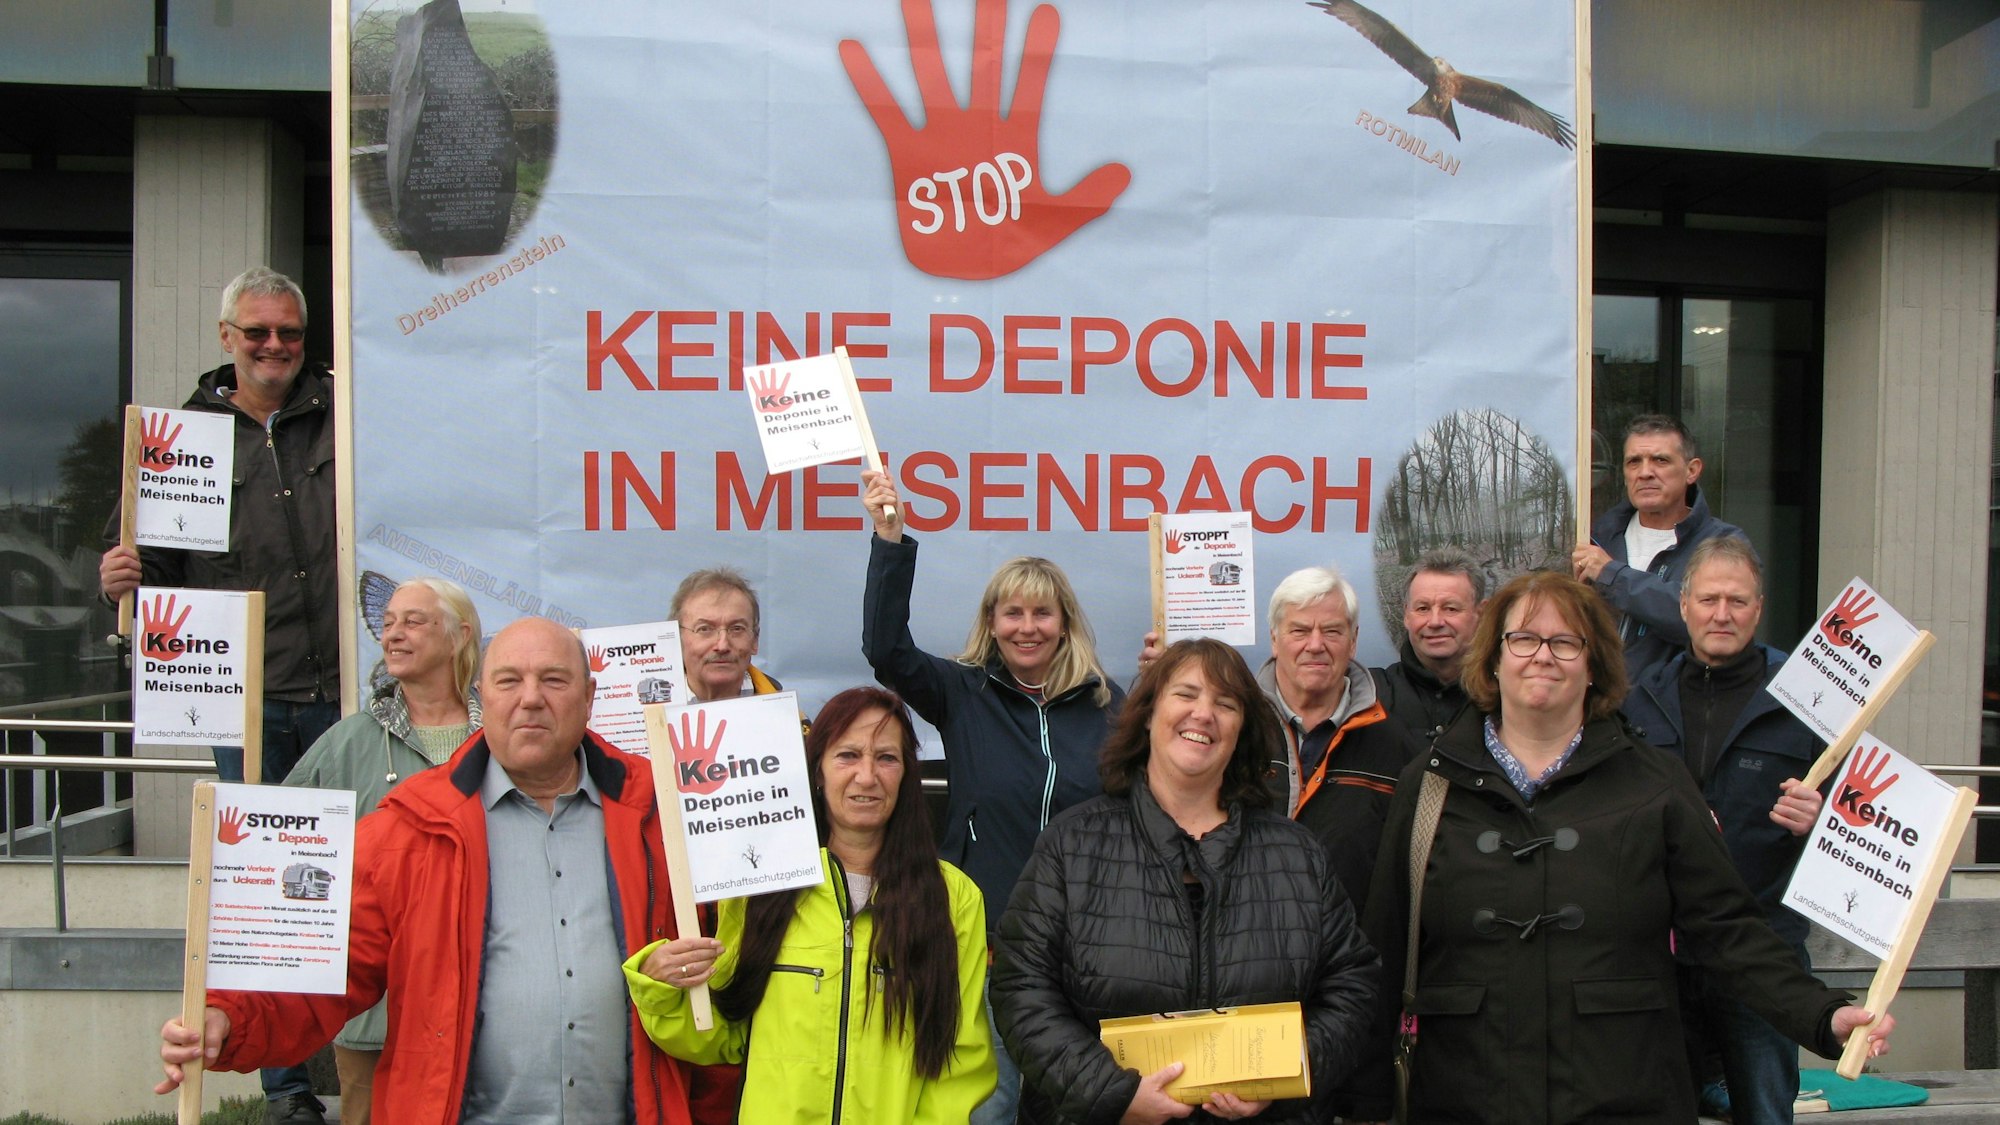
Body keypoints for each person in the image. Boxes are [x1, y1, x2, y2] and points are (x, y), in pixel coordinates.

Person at [1346, 571, 1892, 1124]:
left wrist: (1823, 1014)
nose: (1543, 656)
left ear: (1594, 667)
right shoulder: (1430, 784)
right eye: (1524, 639)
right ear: (1492, 659)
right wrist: (1365, 1104)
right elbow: (1385, 945)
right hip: (1462, 1096)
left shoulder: (1656, 784)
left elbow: (1730, 932)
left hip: (1623, 1093)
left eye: (1565, 642)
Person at [155, 617, 699, 1125]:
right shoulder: (410, 827)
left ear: (589, 697)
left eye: (554, 680)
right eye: (509, 680)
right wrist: (229, 1020)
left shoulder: (664, 814)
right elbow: (326, 970)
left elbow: (724, 968)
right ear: (482, 696)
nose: (531, 698)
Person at [104, 265, 337, 1125]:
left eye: (290, 332)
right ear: (225, 337)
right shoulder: (181, 438)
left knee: (369, 877)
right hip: (247, 701)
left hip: (352, 691)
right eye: (258, 331)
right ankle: (289, 1090)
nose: (275, 346)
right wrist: (120, 578)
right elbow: (147, 571)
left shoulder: (350, 414)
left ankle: (376, 1059)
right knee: (262, 892)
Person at [995, 638, 1378, 1124]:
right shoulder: (1072, 843)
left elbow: (1352, 986)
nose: (1204, 714)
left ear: (1242, 730)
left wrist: (1283, 1079)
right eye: (1186, 694)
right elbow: (1021, 986)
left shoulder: (1297, 854)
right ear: (1149, 714)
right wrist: (1110, 1093)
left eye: (1226, 703)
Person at [861, 469, 1125, 1125]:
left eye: (1042, 613)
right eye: (1013, 613)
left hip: (1083, 950)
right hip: (985, 948)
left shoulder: (1109, 704)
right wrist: (890, 540)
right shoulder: (963, 691)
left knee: (1076, 1105)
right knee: (990, 1105)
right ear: (992, 622)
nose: (1027, 627)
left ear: (1065, 623)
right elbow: (886, 649)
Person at [625, 687, 997, 1121]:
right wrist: (663, 988)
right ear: (817, 770)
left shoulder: (954, 899)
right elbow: (724, 1034)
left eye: (886, 758)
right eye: (847, 756)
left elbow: (960, 1058)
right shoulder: (761, 887)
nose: (866, 776)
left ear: (906, 774)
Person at [1622, 536, 1825, 1124]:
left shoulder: (1809, 699)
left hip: (1763, 950)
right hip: (1660, 950)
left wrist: (1819, 821)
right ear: (1684, 605)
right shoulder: (1638, 698)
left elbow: (1852, 821)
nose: (1722, 614)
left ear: (1758, 609)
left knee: (1765, 1111)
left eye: (1737, 601)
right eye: (1709, 599)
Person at [278, 577, 481, 1125]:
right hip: (374, 1007)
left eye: (413, 621)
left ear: (460, 635)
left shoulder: (505, 740)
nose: (393, 634)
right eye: (388, 623)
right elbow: (285, 847)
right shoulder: (346, 744)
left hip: (482, 1001)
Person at [1148, 565, 1418, 910]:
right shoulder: (1227, 730)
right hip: (1239, 935)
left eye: (1332, 631)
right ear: (1274, 639)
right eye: (1299, 630)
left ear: (1353, 641)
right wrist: (1156, 688)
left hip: (1349, 940)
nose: (1315, 645)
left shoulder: (1395, 748)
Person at [1572, 413, 1749, 677]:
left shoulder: (1725, 543)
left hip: (1673, 699)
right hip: (1590, 697)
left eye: (1660, 460)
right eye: (1634, 462)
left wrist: (1613, 576)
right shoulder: (1594, 536)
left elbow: (1706, 621)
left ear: (1692, 471)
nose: (1645, 473)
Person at [1371, 547, 1484, 741]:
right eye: (1423, 608)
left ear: (1480, 614)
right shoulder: (1370, 696)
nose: (1435, 622)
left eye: (1450, 608)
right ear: (1406, 615)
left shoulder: (1505, 698)